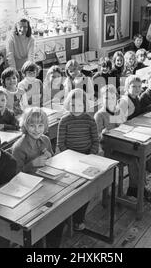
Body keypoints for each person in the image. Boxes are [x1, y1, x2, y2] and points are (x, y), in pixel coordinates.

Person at [11, 107, 65, 247]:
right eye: (32, 125)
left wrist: (51, 158)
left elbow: (53, 162)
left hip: (47, 185)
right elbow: (15, 177)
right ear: (25, 125)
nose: (36, 129)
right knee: (39, 223)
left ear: (45, 126)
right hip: (28, 192)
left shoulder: (45, 140)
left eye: (40, 125)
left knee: (60, 214)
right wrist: (31, 164)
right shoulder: (19, 147)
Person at [57, 89, 99, 230]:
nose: (76, 109)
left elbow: (95, 141)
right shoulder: (64, 120)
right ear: (68, 104)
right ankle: (66, 216)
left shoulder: (89, 120)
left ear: (85, 105)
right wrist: (71, 158)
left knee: (86, 190)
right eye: (73, 105)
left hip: (87, 157)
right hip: (70, 160)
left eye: (79, 105)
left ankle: (78, 218)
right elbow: (60, 144)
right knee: (69, 190)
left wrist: (90, 156)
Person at [116, 75, 151, 202]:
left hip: (135, 133)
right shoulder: (124, 101)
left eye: (139, 87)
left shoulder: (136, 98)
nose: (137, 89)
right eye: (133, 86)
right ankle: (139, 188)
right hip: (124, 137)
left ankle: (135, 187)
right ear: (127, 87)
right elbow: (119, 122)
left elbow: (137, 113)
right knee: (138, 156)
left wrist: (149, 108)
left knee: (150, 150)